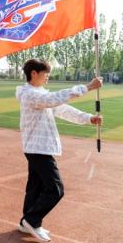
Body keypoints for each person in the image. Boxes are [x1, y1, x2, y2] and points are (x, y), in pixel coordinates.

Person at [16, 59, 102, 242]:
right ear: (34, 73)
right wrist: (87, 87)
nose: (48, 76)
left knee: (35, 187)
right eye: (45, 73)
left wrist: (88, 118)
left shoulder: (40, 94)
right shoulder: (29, 94)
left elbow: (63, 109)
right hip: (37, 148)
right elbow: (54, 99)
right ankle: (32, 220)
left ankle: (26, 222)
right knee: (56, 189)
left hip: (38, 147)